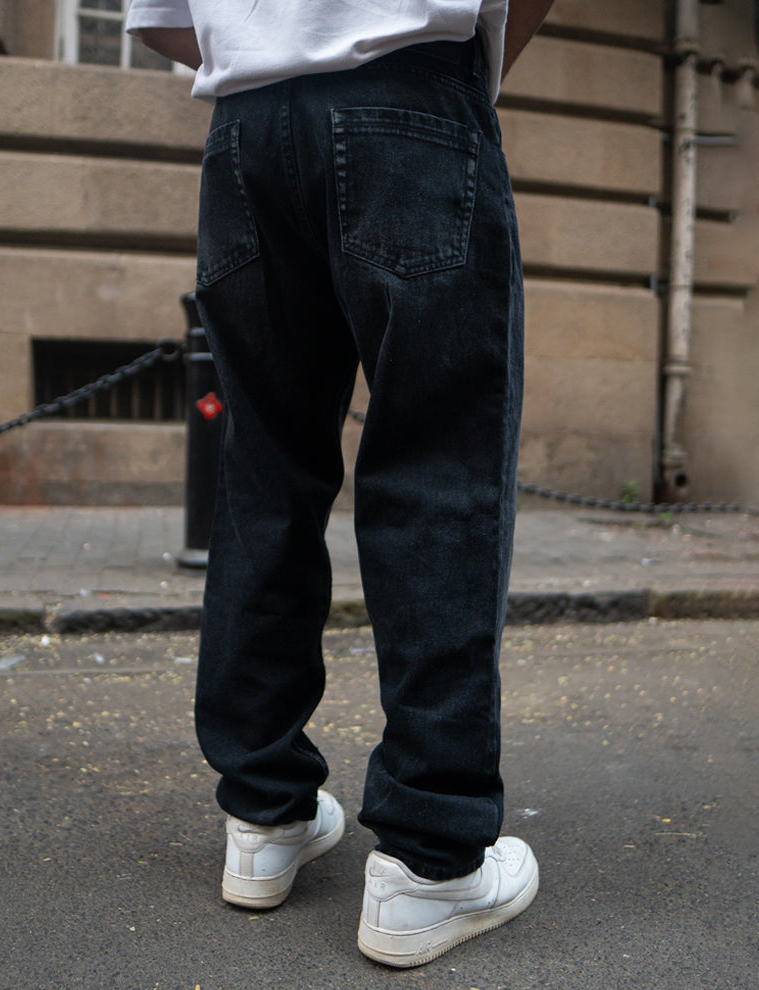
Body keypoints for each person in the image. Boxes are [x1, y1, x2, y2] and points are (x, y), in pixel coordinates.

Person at [127, 0, 554, 968]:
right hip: (411, 100)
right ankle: (430, 861)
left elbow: (157, 20)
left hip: (245, 132)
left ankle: (264, 815)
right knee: (437, 474)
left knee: (263, 478)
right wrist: (455, 79)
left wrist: (271, 47)